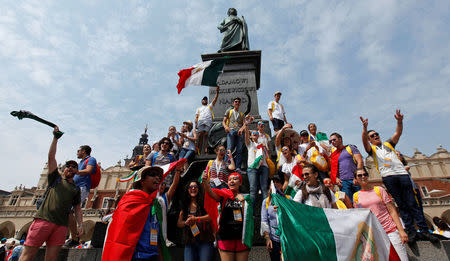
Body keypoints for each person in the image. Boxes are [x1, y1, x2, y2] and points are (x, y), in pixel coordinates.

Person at [360, 110, 438, 244]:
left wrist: (399, 122)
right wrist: (365, 128)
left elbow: (398, 133)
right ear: (370, 139)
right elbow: (364, 142)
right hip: (388, 177)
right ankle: (411, 231)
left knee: (412, 202)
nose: (376, 136)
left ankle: (424, 231)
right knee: (401, 204)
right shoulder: (372, 150)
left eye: (377, 134)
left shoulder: (388, 144)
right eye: (372, 136)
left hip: (401, 174)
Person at [20, 126, 83, 261]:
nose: (71, 168)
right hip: (44, 220)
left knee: (52, 258)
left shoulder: (76, 189)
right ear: (64, 169)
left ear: (77, 171)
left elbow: (77, 208)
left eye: (74, 166)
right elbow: (51, 157)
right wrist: (55, 138)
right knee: (27, 255)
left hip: (61, 225)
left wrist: (80, 224)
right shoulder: (55, 178)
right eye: (68, 166)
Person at [102, 166, 165, 261]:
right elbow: (120, 238)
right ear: (142, 181)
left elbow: (156, 233)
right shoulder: (130, 201)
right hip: (135, 256)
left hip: (152, 255)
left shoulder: (153, 204)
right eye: (152, 175)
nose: (157, 178)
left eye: (158, 176)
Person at [353, 167, 409, 261]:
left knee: (401, 259)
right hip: (375, 234)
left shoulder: (379, 190)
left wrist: (401, 230)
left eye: (365, 174)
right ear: (356, 179)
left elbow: (392, 210)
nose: (363, 177)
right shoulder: (356, 196)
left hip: (390, 230)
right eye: (359, 175)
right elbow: (361, 218)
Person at [202, 172, 253, 261]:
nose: (232, 181)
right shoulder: (223, 195)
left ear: (240, 183)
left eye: (235, 179)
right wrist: (205, 182)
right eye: (229, 180)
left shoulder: (246, 197)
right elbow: (211, 193)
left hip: (242, 237)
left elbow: (249, 218)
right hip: (225, 236)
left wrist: (243, 202)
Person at [66, 144, 97, 247]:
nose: (77, 152)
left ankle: (75, 237)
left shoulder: (91, 159)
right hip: (75, 187)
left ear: (83, 151)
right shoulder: (80, 162)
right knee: (68, 211)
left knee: (70, 210)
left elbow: (89, 170)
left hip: (82, 187)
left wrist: (76, 171)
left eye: (78, 150)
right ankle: (74, 236)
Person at [177, 181, 214, 261]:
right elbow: (179, 223)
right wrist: (186, 223)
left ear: (199, 189)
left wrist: (196, 219)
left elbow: (211, 216)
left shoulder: (205, 202)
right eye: (190, 187)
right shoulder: (185, 205)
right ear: (187, 190)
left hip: (205, 240)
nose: (193, 188)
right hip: (189, 241)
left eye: (195, 186)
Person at [329, 132, 363, 201]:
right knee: (349, 204)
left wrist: (357, 177)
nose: (332, 142)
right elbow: (333, 169)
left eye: (334, 139)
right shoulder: (333, 154)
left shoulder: (351, 148)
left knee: (361, 201)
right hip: (343, 183)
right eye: (331, 141)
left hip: (355, 180)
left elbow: (360, 161)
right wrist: (336, 178)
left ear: (340, 139)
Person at [245, 125, 269, 208]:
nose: (255, 134)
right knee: (253, 189)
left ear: (258, 135)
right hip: (252, 168)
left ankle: (266, 210)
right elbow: (246, 137)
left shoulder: (262, 145)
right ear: (251, 136)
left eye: (256, 133)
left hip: (264, 167)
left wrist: (265, 149)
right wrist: (246, 126)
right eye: (253, 133)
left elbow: (267, 157)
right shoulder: (250, 144)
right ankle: (251, 212)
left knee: (264, 189)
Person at [261, 177, 285, 261]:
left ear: (282, 185)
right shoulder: (266, 202)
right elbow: (264, 220)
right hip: (274, 239)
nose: (275, 184)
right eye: (272, 182)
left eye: (277, 182)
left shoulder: (289, 199)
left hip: (286, 238)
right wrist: (267, 238)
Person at [222, 97, 246, 170]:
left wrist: (241, 129)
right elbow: (223, 121)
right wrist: (226, 127)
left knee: (239, 150)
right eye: (236, 102)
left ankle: (238, 167)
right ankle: (226, 165)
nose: (237, 103)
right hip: (231, 130)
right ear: (233, 103)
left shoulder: (242, 114)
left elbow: (244, 124)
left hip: (239, 132)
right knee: (229, 148)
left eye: (238, 102)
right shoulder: (229, 111)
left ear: (240, 104)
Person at [195, 86, 220, 155]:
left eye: (206, 100)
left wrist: (217, 92)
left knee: (206, 135)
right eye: (203, 99)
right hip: (200, 122)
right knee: (200, 135)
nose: (205, 100)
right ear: (201, 101)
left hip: (208, 122)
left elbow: (215, 99)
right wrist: (196, 124)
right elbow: (196, 117)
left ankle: (206, 150)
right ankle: (198, 150)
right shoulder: (198, 108)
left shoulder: (209, 106)